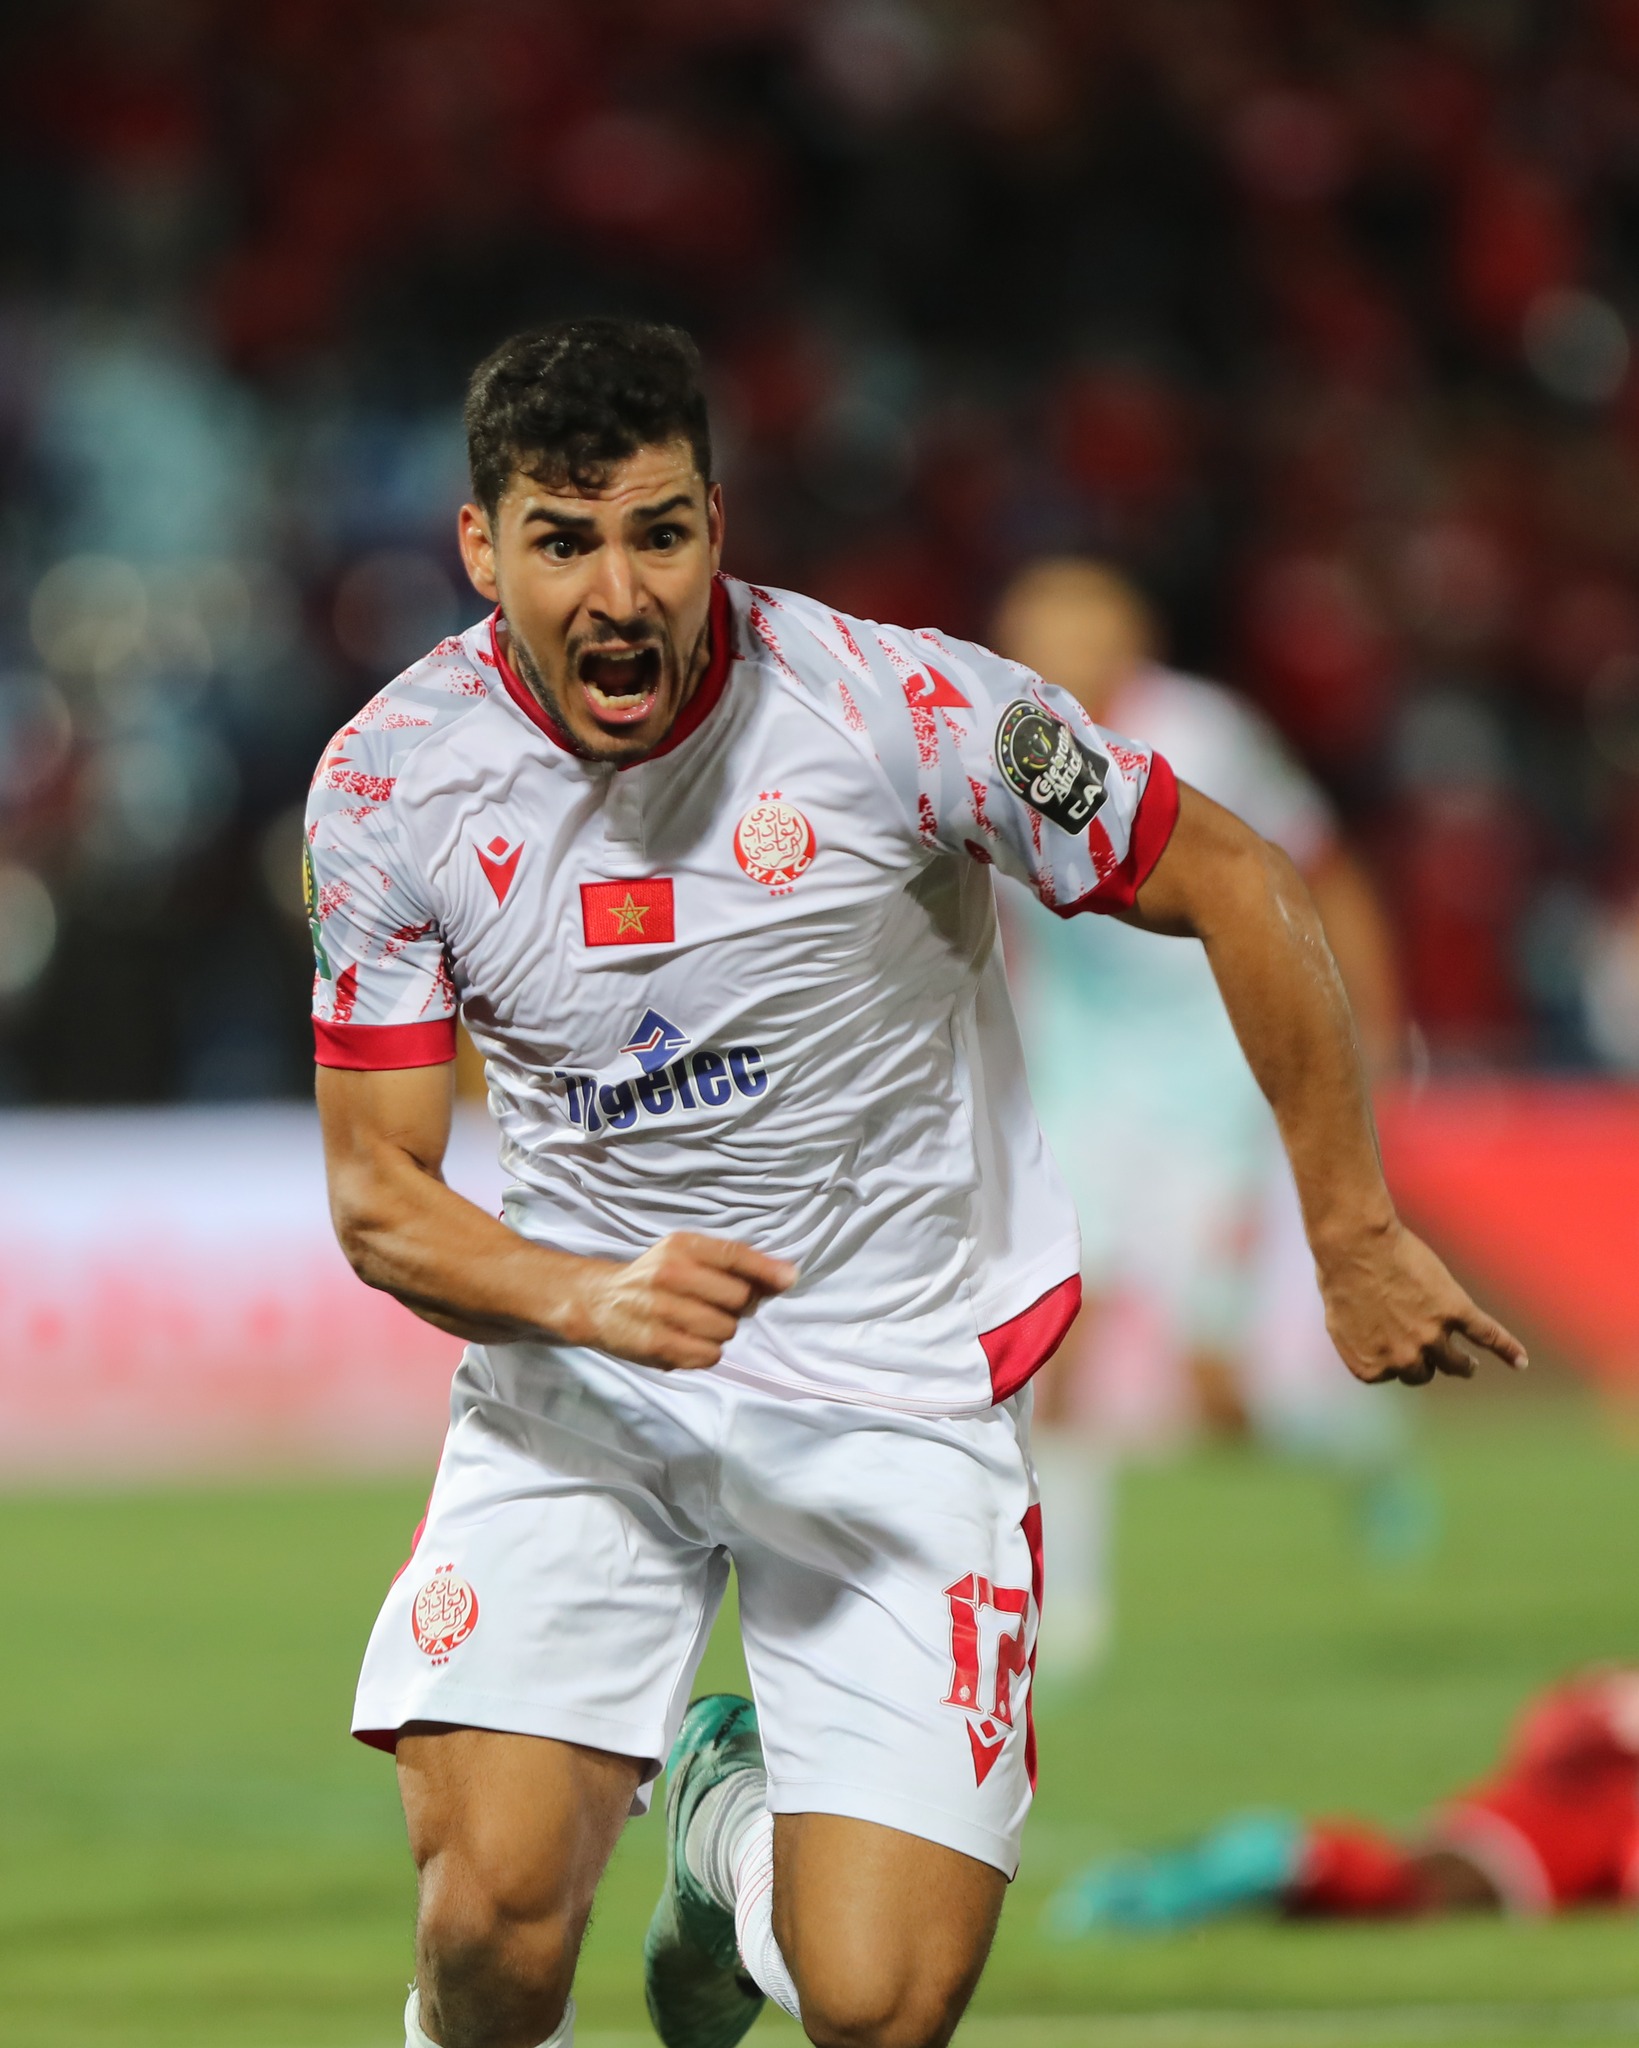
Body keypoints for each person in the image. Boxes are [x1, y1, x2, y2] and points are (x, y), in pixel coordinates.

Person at [306, 317, 1525, 2048]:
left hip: (887, 1387)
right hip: (584, 1388)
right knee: (492, 1925)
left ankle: (723, 1841)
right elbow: (378, 1193)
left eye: (655, 529)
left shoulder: (905, 712)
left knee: (877, 2006)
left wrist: (1347, 1225)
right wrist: (589, 1297)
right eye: (562, 539)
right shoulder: (385, 785)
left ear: (715, 526)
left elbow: (1241, 879)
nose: (615, 588)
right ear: (479, 546)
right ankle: (690, 1847)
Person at [991, 560, 1416, 1675]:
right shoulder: (988, 729)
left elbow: (1312, 866)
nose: (1051, 638)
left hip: (1212, 1075)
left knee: (1218, 1388)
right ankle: (1066, 1615)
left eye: (1075, 617)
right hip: (1079, 1080)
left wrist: (1366, 1021)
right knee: (1060, 1337)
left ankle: (1362, 1449)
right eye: (1035, 620)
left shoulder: (1206, 733)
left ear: (1126, 633)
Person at [1049, 1665, 1639, 1932]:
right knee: (1415, 1895)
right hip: (1521, 1859)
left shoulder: (1600, 1705)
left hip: (1491, 1817)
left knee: (1348, 1903)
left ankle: (1194, 1876)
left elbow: (1543, 1729)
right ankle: (1291, 1854)